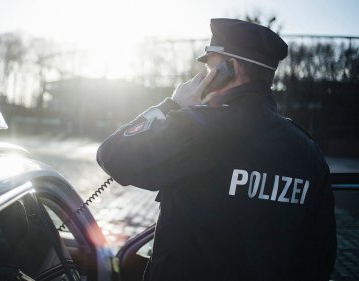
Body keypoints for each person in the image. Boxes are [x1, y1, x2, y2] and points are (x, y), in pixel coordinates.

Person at [97, 18, 336, 281]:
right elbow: (320, 254)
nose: (203, 77)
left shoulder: (197, 129)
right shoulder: (307, 150)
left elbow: (112, 154)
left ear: (229, 69)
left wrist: (172, 105)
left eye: (210, 67)